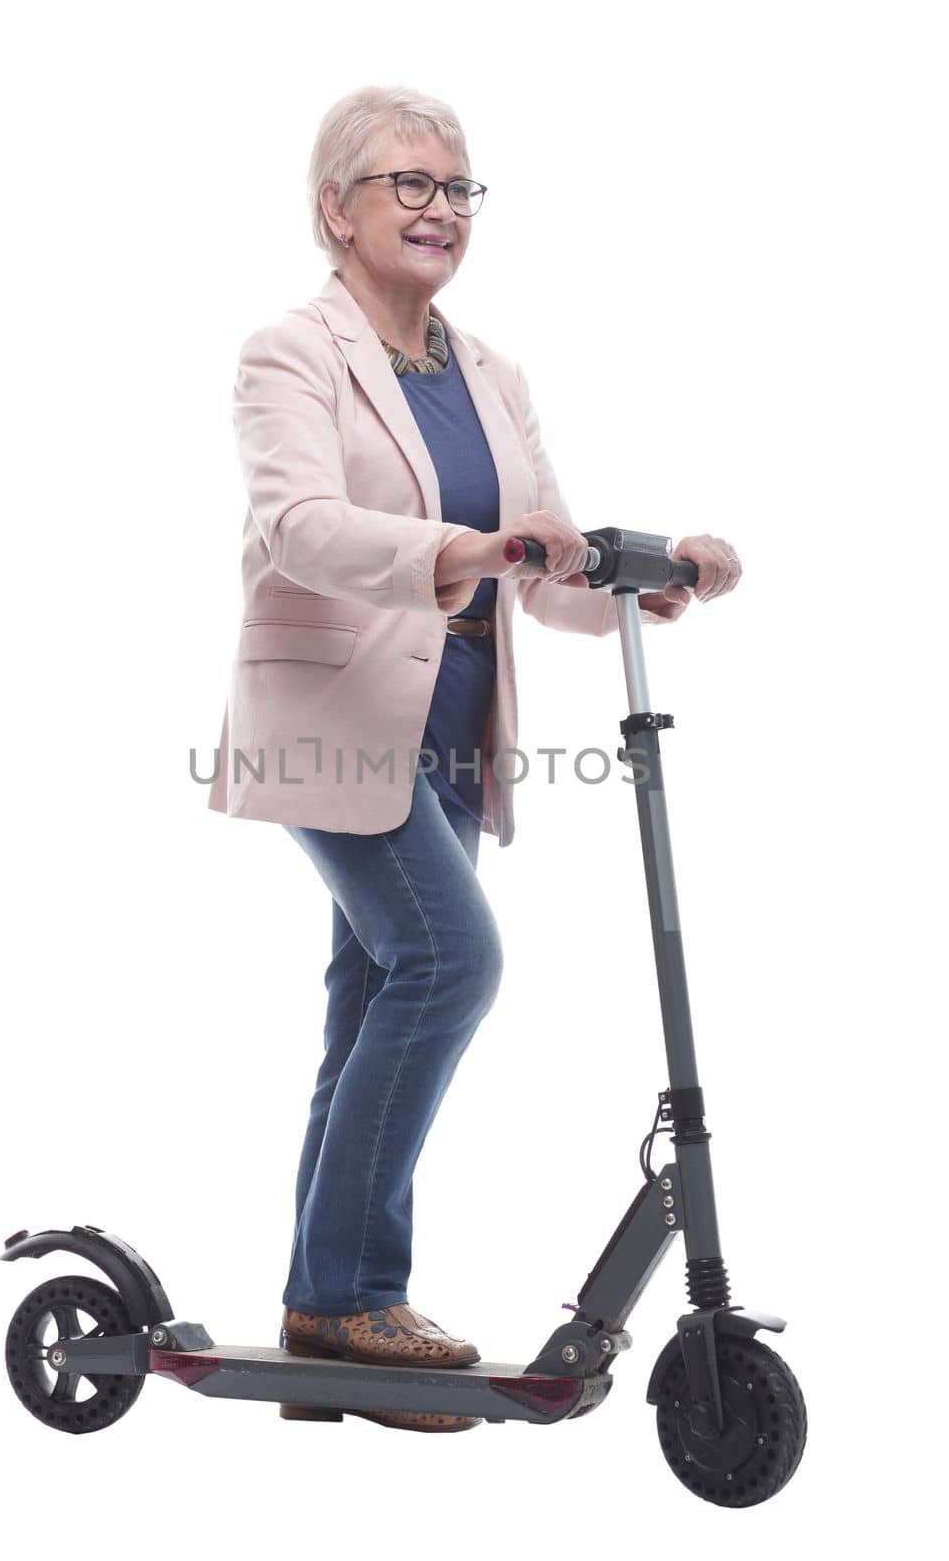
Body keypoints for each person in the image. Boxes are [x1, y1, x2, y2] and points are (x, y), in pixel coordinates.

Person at [206, 85, 742, 1432]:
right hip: (330, 720)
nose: (441, 209)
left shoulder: (492, 376)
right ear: (336, 209)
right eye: (410, 185)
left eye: (458, 188)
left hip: (449, 739)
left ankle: (322, 1307)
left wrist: (652, 578)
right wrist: (454, 553)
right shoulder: (292, 353)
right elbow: (297, 530)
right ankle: (348, 1298)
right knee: (453, 961)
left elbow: (539, 569)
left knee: (374, 997)